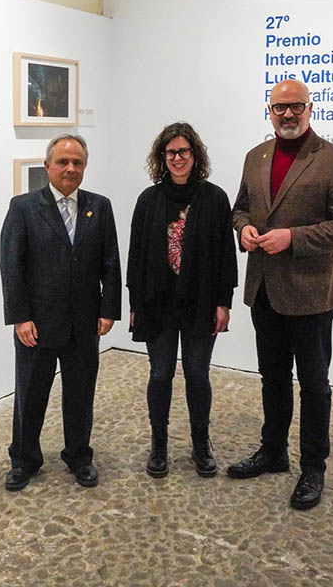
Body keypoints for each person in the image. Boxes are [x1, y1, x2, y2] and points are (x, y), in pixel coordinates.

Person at [227, 79, 333, 510]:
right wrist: (244, 229)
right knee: (271, 379)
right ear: (268, 110)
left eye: (296, 107)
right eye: (279, 108)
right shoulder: (255, 157)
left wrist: (293, 237)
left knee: (314, 385)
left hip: (310, 294)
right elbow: (240, 208)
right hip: (264, 289)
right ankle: (273, 452)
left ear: (310, 108)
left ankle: (313, 467)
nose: (288, 115)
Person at [0, 134, 121, 491]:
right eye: (63, 162)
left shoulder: (99, 207)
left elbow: (110, 263)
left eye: (78, 162)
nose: (70, 168)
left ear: (85, 167)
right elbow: (11, 266)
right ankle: (24, 460)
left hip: (84, 323)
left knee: (80, 395)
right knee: (30, 394)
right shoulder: (23, 208)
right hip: (36, 325)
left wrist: (108, 309)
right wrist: (20, 317)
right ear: (47, 166)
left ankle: (79, 456)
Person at [126, 122, 237, 478]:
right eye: (171, 152)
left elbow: (225, 256)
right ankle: (159, 444)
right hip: (156, 304)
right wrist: (133, 304)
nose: (177, 158)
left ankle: (200, 444)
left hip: (201, 302)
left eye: (183, 152)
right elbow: (135, 257)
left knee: (197, 374)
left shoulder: (215, 198)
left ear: (195, 155)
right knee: (159, 374)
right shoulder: (148, 199)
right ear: (163, 157)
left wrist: (224, 302)